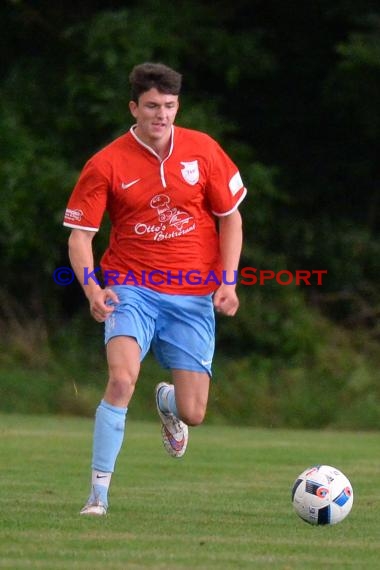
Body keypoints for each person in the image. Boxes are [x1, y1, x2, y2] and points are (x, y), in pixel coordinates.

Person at [63, 62, 247, 516]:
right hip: (132, 288)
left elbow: (231, 218)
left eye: (168, 106)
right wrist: (92, 290)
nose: (160, 115)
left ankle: (167, 401)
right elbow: (79, 238)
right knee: (122, 379)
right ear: (134, 107)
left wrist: (228, 281)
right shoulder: (106, 163)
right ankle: (97, 495)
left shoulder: (203, 151)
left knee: (195, 412)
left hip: (192, 294)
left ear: (176, 105)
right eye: (151, 106)